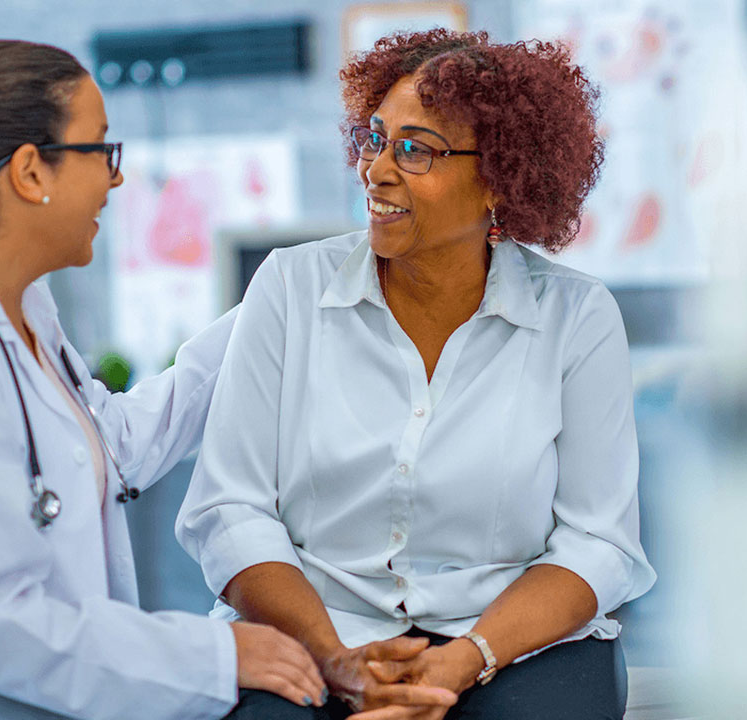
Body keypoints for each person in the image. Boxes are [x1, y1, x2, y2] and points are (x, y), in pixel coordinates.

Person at [0, 40, 331, 719]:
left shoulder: (20, 309)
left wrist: (274, 304)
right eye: (101, 148)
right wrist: (220, 655)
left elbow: (109, 445)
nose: (116, 177)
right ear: (28, 172)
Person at [177, 30, 655, 720]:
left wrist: (462, 662)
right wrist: (332, 658)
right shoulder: (287, 288)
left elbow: (598, 542)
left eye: (415, 150)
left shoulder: (577, 318)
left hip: (509, 640)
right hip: (318, 627)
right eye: (374, 139)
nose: (376, 169)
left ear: (500, 178)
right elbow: (231, 509)